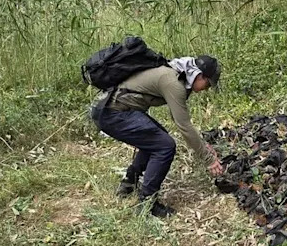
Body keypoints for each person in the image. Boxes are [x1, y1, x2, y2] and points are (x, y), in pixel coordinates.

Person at [94, 55, 224, 217]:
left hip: (115, 110)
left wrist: (202, 145)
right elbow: (184, 126)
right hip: (113, 113)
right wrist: (208, 159)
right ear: (200, 75)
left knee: (157, 139)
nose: (207, 88)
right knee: (165, 146)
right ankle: (147, 203)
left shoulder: (178, 74)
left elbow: (180, 119)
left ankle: (129, 184)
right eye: (208, 83)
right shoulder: (173, 82)